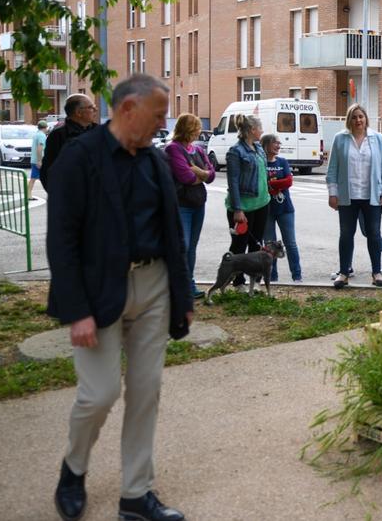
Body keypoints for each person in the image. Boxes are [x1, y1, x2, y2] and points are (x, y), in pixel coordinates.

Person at [47, 74, 192, 521]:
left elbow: (172, 234)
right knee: (100, 393)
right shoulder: (79, 158)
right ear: (128, 108)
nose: (162, 123)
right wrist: (76, 310)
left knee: (146, 391)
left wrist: (182, 294)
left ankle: (136, 494)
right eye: (158, 114)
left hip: (153, 287)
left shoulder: (153, 161)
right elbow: (62, 239)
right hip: (96, 292)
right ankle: (74, 469)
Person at [326, 104, 382, 288]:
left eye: (361, 117)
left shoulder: (377, 138)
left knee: (374, 234)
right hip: (347, 196)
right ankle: (344, 273)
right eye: (354, 117)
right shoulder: (340, 139)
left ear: (366, 119)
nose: (358, 120)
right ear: (349, 120)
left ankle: (376, 272)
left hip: (371, 195)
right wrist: (333, 193)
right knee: (346, 234)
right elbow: (332, 169)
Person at [165, 113, 214, 298]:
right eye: (196, 128)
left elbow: (211, 175)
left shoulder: (198, 150)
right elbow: (185, 177)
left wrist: (199, 172)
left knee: (192, 247)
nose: (198, 132)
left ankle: (189, 284)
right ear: (187, 129)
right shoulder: (173, 149)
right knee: (182, 246)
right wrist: (201, 175)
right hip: (181, 204)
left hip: (198, 203)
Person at [225, 115, 270, 281]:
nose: (262, 131)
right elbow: (233, 181)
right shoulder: (235, 152)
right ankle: (237, 281)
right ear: (252, 130)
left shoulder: (258, 148)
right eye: (260, 128)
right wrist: (237, 208)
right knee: (239, 245)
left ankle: (254, 281)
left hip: (262, 204)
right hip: (243, 207)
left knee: (256, 244)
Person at [262, 133, 303, 283]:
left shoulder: (283, 161)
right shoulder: (261, 162)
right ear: (266, 144)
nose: (279, 146)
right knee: (270, 245)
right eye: (275, 143)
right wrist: (277, 183)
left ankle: (297, 276)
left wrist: (271, 185)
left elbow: (289, 181)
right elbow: (261, 183)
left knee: (290, 243)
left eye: (279, 143)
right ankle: (272, 277)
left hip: (285, 209)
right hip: (266, 210)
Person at [40, 93, 97, 191]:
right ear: (78, 112)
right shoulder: (58, 136)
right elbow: (48, 171)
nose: (95, 110)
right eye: (91, 107)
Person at [29, 119, 47, 197]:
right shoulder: (42, 135)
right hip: (38, 160)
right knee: (35, 178)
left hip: (34, 159)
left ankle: (28, 194)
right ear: (45, 127)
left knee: (33, 178)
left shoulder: (36, 134)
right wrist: (40, 161)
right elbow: (40, 148)